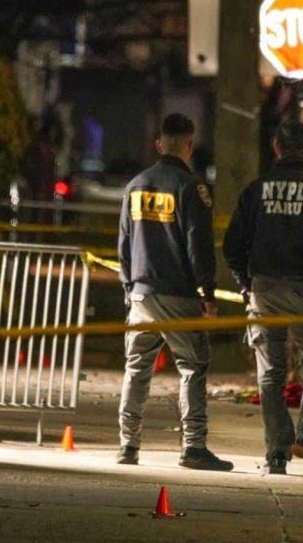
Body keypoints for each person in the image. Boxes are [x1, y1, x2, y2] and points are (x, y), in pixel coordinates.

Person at [223, 121, 303, 476]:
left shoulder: (255, 190)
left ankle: (277, 450)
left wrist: (246, 284)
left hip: (264, 289)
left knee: (271, 374)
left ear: (276, 146)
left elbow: (233, 246)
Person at [117, 113, 233, 472]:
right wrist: (208, 292)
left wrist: (128, 287)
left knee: (137, 370)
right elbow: (199, 245)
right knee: (193, 366)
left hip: (141, 295)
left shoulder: (135, 185)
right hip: (178, 296)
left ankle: (128, 444)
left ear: (158, 144)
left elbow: (123, 243)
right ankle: (194, 445)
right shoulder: (190, 188)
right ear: (189, 145)